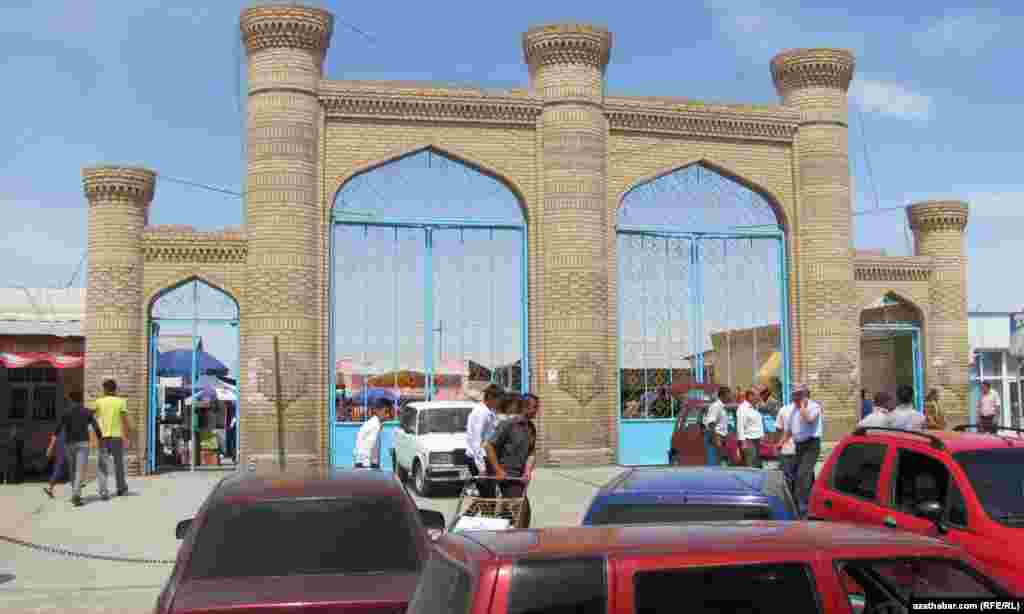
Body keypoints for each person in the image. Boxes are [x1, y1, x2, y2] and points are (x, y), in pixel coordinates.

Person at [485, 394, 538, 528]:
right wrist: (498, 470)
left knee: (511, 513)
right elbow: (489, 446)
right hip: (507, 476)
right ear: (525, 407)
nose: (537, 411)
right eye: (535, 407)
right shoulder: (508, 425)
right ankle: (520, 536)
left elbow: (531, 453)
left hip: (519, 478)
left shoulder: (531, 428)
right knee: (522, 510)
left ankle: (506, 533)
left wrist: (527, 471)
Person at [51, 392, 103, 507]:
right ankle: (76, 494)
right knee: (80, 470)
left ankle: (75, 493)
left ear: (71, 400)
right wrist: (101, 439)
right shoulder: (87, 412)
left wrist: (51, 445)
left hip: (69, 444)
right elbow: (96, 426)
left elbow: (58, 429)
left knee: (72, 469)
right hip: (83, 443)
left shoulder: (66, 412)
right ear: (81, 400)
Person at [93, 379, 132, 499]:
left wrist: (94, 437)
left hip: (103, 437)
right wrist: (126, 437)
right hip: (116, 437)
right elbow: (124, 421)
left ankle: (103, 491)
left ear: (104, 389)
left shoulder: (98, 402)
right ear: (115, 389)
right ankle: (121, 488)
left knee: (102, 465)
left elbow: (93, 420)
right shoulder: (121, 402)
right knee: (118, 464)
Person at [787, 383, 822, 517]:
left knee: (802, 474)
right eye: (794, 395)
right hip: (799, 445)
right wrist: (781, 442)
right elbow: (790, 430)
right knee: (796, 474)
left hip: (811, 445)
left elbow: (809, 419)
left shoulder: (814, 407)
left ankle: (804, 506)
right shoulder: (793, 410)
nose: (794, 398)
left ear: (804, 395)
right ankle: (806, 501)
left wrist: (802, 406)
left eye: (798, 395)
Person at [465, 384, 501, 498]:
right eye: (498, 399)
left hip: (486, 457)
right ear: (490, 397)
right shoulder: (481, 412)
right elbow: (476, 441)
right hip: (479, 459)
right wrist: (482, 468)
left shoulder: (489, 412)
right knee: (487, 496)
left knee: (488, 495)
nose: (499, 402)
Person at [774, 399, 797, 495]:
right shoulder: (807, 410)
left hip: (786, 449)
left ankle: (788, 498)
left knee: (787, 478)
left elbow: (778, 428)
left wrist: (779, 443)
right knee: (800, 478)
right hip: (801, 450)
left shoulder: (783, 409)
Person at [703, 387, 730, 466]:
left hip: (721, 437)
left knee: (721, 463)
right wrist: (715, 438)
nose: (730, 397)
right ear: (722, 395)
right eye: (728, 395)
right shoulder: (716, 406)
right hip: (715, 437)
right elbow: (711, 423)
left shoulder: (722, 407)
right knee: (713, 464)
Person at [736, 390, 764, 468]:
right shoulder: (743, 408)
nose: (759, 398)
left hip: (756, 439)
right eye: (757, 396)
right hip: (748, 440)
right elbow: (740, 426)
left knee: (757, 463)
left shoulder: (755, 407)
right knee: (751, 464)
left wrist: (762, 436)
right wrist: (743, 442)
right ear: (750, 396)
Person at [353, 401, 384, 469]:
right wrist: (369, 462)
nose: (386, 415)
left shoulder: (374, 423)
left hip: (365, 460)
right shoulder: (374, 424)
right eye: (384, 412)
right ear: (378, 411)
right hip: (365, 461)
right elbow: (370, 444)